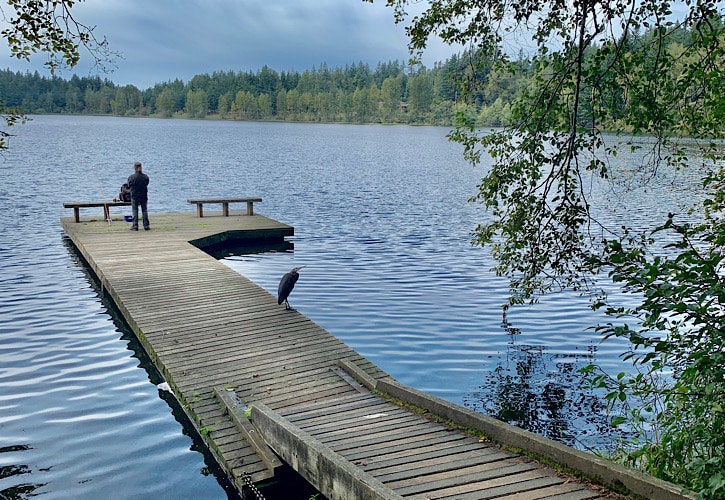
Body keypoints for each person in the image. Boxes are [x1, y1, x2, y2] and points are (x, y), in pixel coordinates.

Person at [127, 161, 150, 230]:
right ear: (141, 167)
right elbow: (147, 183)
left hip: (134, 196)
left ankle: (135, 225)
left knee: (135, 210)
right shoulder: (145, 177)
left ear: (135, 168)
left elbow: (129, 185)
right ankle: (146, 225)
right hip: (143, 195)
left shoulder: (131, 177)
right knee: (144, 210)